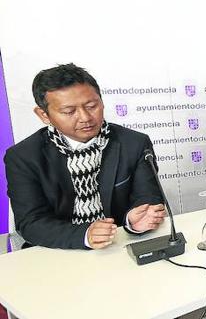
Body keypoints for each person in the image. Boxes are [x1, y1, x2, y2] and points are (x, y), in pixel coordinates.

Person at [4, 63, 165, 250]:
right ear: (44, 115)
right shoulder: (23, 157)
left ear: (102, 101)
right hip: (53, 252)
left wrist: (133, 221)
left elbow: (147, 198)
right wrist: (85, 235)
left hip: (118, 246)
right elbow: (30, 222)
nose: (85, 117)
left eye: (92, 106)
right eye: (69, 112)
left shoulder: (134, 143)